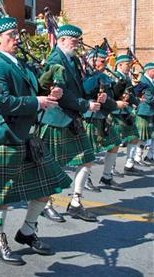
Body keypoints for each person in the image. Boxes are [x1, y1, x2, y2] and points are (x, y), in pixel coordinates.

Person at [0, 16, 72, 265]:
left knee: (48, 188)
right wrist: (36, 102)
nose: (17, 39)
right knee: (3, 197)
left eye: (16, 35)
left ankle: (26, 232)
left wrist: (50, 91)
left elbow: (36, 85)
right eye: (12, 36)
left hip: (29, 136)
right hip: (8, 137)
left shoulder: (20, 63)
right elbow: (1, 101)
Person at [39, 25, 102, 222]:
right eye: (73, 41)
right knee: (53, 165)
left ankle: (75, 202)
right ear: (62, 40)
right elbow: (61, 94)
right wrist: (86, 105)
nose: (76, 44)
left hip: (71, 118)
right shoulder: (55, 60)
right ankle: (46, 204)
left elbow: (78, 88)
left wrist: (95, 83)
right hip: (57, 119)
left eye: (77, 41)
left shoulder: (72, 60)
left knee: (87, 158)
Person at [81, 49, 124, 192]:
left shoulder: (104, 76)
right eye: (101, 61)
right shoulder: (85, 74)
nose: (105, 63)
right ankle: (85, 179)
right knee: (89, 152)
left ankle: (106, 177)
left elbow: (111, 94)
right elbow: (86, 91)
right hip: (89, 116)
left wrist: (120, 84)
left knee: (114, 144)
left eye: (105, 61)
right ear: (92, 60)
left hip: (103, 116)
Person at [110, 55, 143, 175]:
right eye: (127, 65)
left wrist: (138, 102)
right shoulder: (114, 77)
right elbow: (111, 94)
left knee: (134, 137)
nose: (129, 67)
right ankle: (111, 168)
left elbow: (131, 95)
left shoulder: (127, 79)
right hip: (116, 113)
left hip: (126, 113)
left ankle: (129, 164)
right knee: (115, 142)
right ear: (120, 65)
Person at [134, 62, 154, 164]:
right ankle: (137, 158)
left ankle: (150, 156)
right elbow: (149, 99)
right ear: (149, 71)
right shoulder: (143, 81)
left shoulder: (151, 81)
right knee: (143, 136)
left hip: (151, 112)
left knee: (151, 135)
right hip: (144, 112)